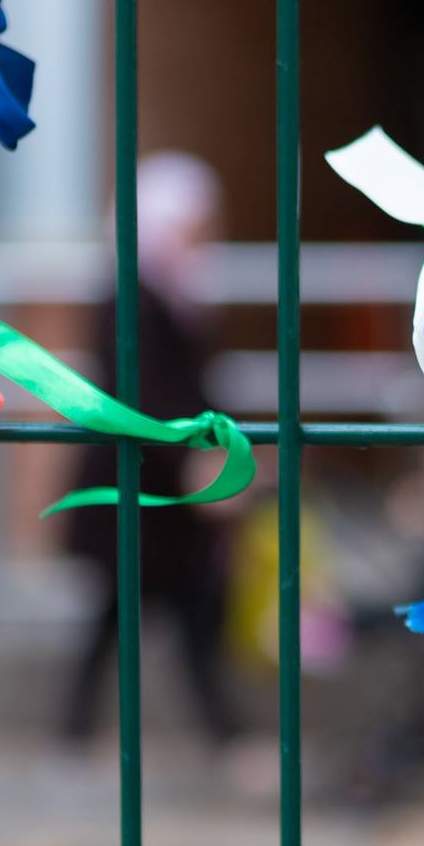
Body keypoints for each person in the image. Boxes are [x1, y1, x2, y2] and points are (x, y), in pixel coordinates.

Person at [60, 152, 246, 759]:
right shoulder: (132, 297)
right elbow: (138, 392)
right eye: (195, 222)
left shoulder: (171, 291)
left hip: (159, 496)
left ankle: (76, 736)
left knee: (146, 614)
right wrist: (195, 460)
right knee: (168, 611)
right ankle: (225, 739)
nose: (205, 235)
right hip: (143, 492)